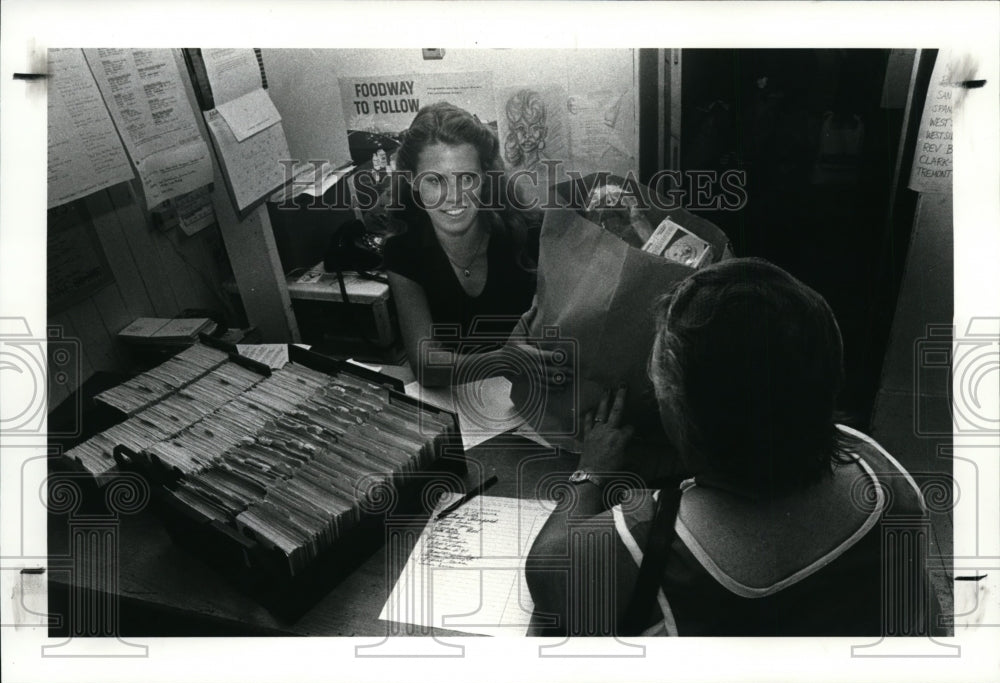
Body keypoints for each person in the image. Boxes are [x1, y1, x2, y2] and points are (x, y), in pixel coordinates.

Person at [525, 257, 942, 636]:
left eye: (658, 377)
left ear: (678, 412)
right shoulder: (881, 472)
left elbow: (547, 569)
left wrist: (590, 471)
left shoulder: (644, 543)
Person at [384, 102, 565, 388]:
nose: (454, 197)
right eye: (435, 180)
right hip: (461, 405)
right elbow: (426, 365)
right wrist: (503, 360)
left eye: (466, 178)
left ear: (484, 176)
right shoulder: (402, 251)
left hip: (537, 396)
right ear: (413, 182)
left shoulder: (529, 232)